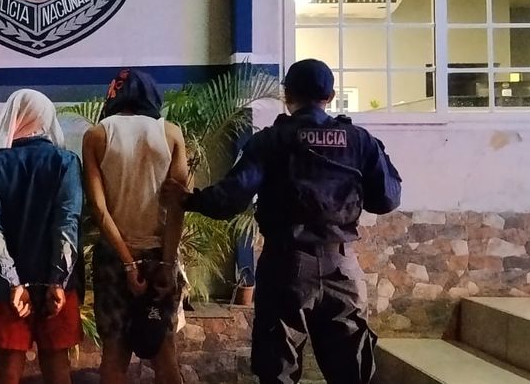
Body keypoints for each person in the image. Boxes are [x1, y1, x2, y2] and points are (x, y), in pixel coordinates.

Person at [163, 59, 402, 384]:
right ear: (330, 97)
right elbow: (387, 198)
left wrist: (189, 199)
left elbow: (231, 198)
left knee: (278, 373)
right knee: (352, 373)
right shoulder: (359, 140)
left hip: (286, 268)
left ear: (287, 96)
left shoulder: (271, 140)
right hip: (343, 270)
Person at [81, 69, 188, 384]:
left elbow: (99, 210)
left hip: (114, 259)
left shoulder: (97, 135)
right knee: (165, 352)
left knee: (114, 355)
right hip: (159, 255)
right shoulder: (171, 134)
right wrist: (168, 264)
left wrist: (129, 265)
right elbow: (177, 205)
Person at [0, 89, 83, 384]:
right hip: (57, 286)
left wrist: (12, 282)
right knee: (57, 363)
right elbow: (67, 223)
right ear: (46, 118)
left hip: (7, 288)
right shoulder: (66, 162)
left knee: (8, 367)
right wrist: (58, 282)